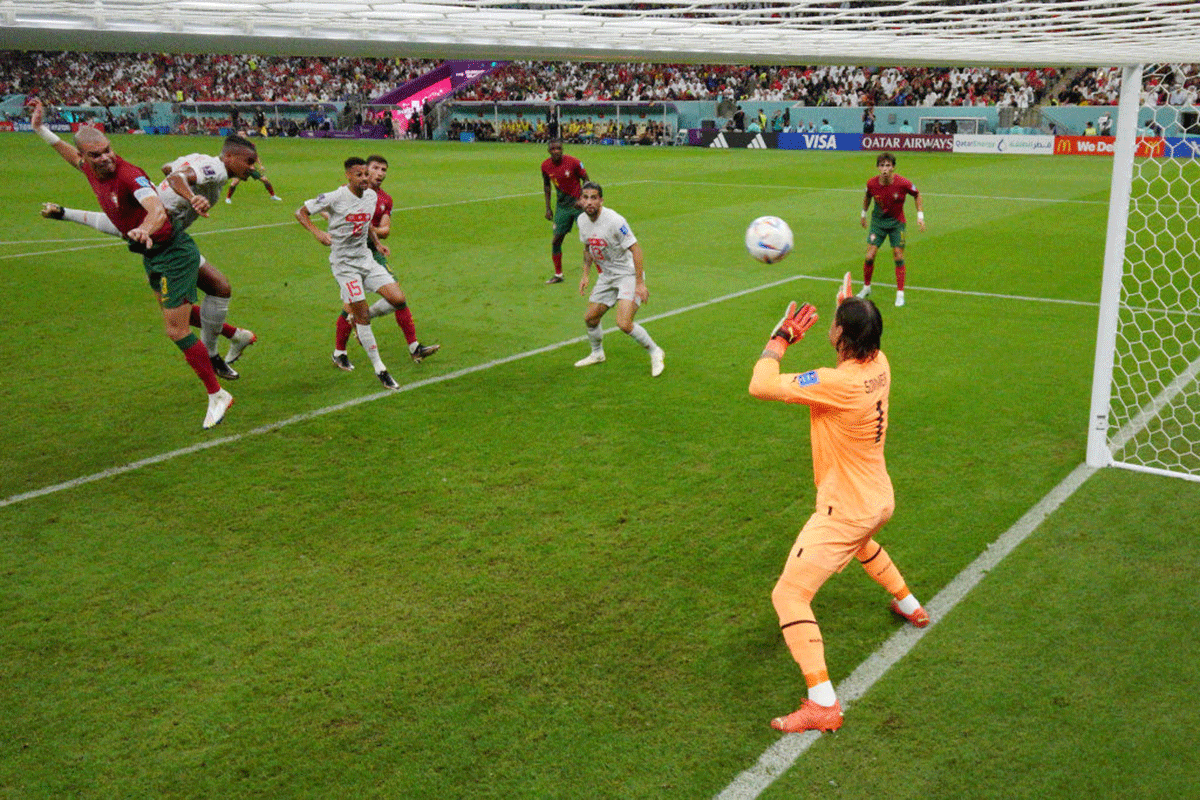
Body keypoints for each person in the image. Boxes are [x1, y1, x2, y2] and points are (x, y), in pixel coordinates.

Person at [748, 285, 928, 734]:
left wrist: (781, 338)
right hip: (877, 498)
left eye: (836, 323)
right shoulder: (880, 365)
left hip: (845, 508)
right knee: (862, 543)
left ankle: (823, 704)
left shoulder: (836, 384)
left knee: (789, 595)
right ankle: (909, 604)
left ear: (843, 336)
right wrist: (848, 310)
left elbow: (761, 385)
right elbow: (854, 351)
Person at [29, 98, 233, 429]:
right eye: (96, 155)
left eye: (108, 150)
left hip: (172, 251)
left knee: (175, 329)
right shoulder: (89, 169)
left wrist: (143, 228)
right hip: (152, 253)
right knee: (177, 310)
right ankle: (236, 334)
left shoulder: (129, 175)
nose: (106, 157)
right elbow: (68, 154)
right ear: (86, 158)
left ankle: (217, 395)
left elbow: (155, 208)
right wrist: (40, 129)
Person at [41, 135, 263, 378]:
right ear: (229, 157)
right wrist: (191, 197)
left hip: (165, 236)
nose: (252, 168)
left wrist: (63, 212)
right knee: (205, 298)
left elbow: (169, 168)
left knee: (209, 292)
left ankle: (235, 336)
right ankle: (214, 355)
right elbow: (176, 177)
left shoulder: (201, 160)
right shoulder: (217, 170)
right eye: (249, 162)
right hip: (165, 241)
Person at [297, 157, 436, 390]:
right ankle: (380, 369)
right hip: (345, 266)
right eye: (359, 174)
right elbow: (300, 212)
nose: (364, 178)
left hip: (367, 260)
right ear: (348, 176)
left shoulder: (372, 197)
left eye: (365, 174)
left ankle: (353, 335)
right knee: (361, 315)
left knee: (398, 299)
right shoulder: (335, 196)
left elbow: (367, 226)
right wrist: (318, 233)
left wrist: (377, 244)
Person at [330, 154, 439, 369]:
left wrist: (371, 232)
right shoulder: (347, 192)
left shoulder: (385, 199)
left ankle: (414, 347)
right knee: (349, 306)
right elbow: (327, 211)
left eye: (384, 170)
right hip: (350, 256)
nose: (380, 173)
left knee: (398, 298)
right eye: (376, 168)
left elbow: (386, 230)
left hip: (373, 253)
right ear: (365, 170)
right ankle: (339, 352)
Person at [573, 182, 665, 377]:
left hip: (627, 275)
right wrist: (585, 274)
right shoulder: (581, 220)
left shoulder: (615, 220)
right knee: (590, 318)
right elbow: (588, 248)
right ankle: (597, 354)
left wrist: (640, 283)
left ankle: (655, 351)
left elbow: (636, 249)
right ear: (581, 200)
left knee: (623, 323)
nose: (589, 202)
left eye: (594, 198)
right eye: (586, 197)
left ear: (601, 200)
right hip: (607, 275)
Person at [858, 152, 925, 307]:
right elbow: (868, 196)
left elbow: (917, 194)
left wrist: (920, 216)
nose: (885, 168)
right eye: (882, 165)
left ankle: (900, 294)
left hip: (896, 224)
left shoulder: (903, 183)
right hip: (878, 224)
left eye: (888, 165)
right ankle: (866, 287)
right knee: (869, 255)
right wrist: (863, 214)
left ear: (893, 167)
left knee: (898, 255)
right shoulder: (872, 183)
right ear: (877, 167)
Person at [541, 139, 590, 284]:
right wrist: (548, 207)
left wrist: (583, 200)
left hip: (578, 207)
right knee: (556, 240)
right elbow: (547, 186)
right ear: (549, 151)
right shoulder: (545, 166)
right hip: (562, 207)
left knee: (591, 240)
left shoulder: (574, 162)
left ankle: (603, 271)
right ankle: (558, 274)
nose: (556, 151)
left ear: (562, 149)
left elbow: (586, 180)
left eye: (559, 148)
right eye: (553, 149)